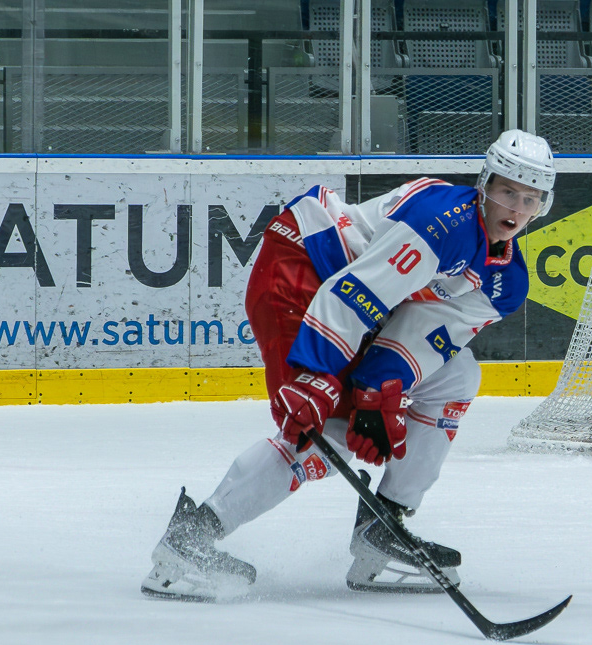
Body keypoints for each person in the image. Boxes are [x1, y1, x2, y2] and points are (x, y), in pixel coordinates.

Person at [142, 129, 556, 600]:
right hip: (301, 263)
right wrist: (319, 377)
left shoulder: (506, 282)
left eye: (530, 198)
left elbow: (425, 330)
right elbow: (358, 290)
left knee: (458, 377)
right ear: (485, 185)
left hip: (350, 302)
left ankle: (384, 528)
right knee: (322, 430)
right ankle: (190, 539)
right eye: (507, 192)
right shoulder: (440, 221)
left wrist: (380, 387)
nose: (516, 208)